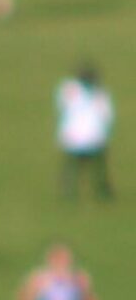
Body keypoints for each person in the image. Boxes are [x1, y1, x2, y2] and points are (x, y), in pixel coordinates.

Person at [56, 66, 115, 202]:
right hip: (94, 140)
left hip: (71, 139)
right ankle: (103, 189)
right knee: (100, 164)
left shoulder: (68, 91)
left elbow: (62, 108)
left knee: (71, 164)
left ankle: (68, 188)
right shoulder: (100, 95)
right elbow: (107, 117)